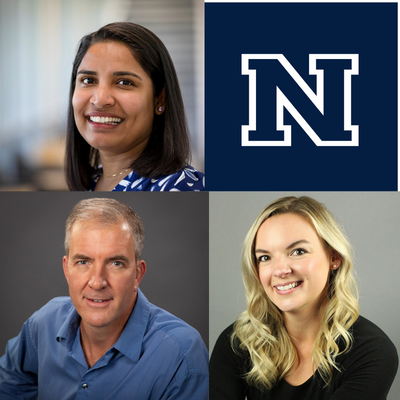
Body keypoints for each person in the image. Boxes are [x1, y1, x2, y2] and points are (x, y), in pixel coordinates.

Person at [0, 198, 209, 399]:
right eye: (83, 262)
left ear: (137, 274)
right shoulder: (43, 324)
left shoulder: (182, 354)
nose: (97, 282)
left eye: (115, 263)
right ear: (66, 269)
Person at [210, 196, 398, 400]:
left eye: (298, 251)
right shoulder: (236, 342)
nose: (280, 270)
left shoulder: (372, 352)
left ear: (333, 257)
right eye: (265, 257)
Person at [65, 22, 204, 191]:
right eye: (88, 80)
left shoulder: (183, 188)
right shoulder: (91, 183)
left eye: (124, 82)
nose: (100, 100)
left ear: (160, 98)